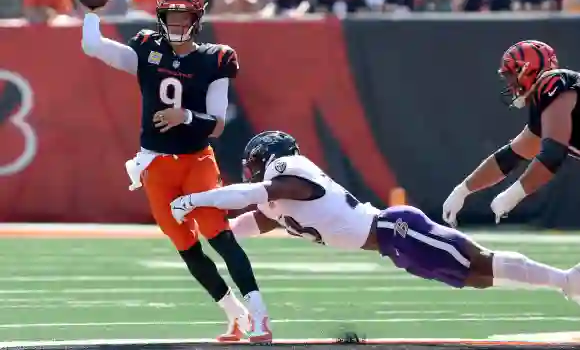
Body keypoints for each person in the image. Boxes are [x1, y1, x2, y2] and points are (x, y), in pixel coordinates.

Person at [171, 131, 580, 298]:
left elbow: (254, 192)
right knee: (475, 278)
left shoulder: (287, 174)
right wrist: (208, 239)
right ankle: (562, 281)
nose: (251, 166)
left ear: (271, 159)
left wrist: (199, 200)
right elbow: (242, 226)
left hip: (396, 228)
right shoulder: (274, 203)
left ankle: (566, 280)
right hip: (390, 246)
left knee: (479, 262)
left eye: (255, 161)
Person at [81, 0, 271, 343]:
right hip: (155, 165)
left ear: (196, 20)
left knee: (219, 235)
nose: (178, 23)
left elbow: (216, 125)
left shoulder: (215, 58)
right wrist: (91, 13)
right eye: (172, 16)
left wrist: (183, 115)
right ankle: (235, 314)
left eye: (184, 16)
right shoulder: (146, 48)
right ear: (161, 18)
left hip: (195, 160)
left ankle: (260, 316)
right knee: (185, 245)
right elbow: (95, 47)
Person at [443, 40, 579, 227]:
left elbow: (553, 154)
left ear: (529, 70)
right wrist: (463, 190)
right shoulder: (547, 107)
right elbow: (511, 156)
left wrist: (513, 194)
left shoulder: (552, 81)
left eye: (511, 75)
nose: (510, 83)